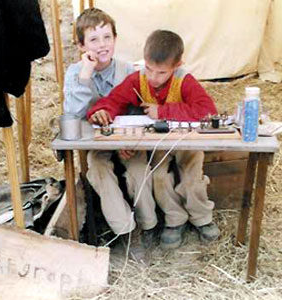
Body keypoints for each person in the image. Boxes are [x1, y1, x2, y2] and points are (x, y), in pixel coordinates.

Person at [87, 29, 220, 251]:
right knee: (159, 175)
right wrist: (101, 112)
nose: (153, 77)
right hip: (160, 144)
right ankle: (174, 220)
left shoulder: (184, 81)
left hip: (188, 142)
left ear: (177, 65)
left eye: (161, 72)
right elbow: (114, 101)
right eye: (149, 69)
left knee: (192, 177)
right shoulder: (137, 80)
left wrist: (163, 111)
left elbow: (207, 111)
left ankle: (202, 218)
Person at [63, 8, 158, 264]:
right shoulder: (75, 73)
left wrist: (128, 144)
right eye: (93, 39)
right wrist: (86, 76)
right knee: (99, 170)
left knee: (139, 169)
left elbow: (140, 112)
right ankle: (128, 232)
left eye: (107, 37)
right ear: (82, 45)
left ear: (115, 39)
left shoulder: (128, 71)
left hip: (127, 141)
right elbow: (73, 114)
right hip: (96, 143)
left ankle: (149, 225)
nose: (102, 45)